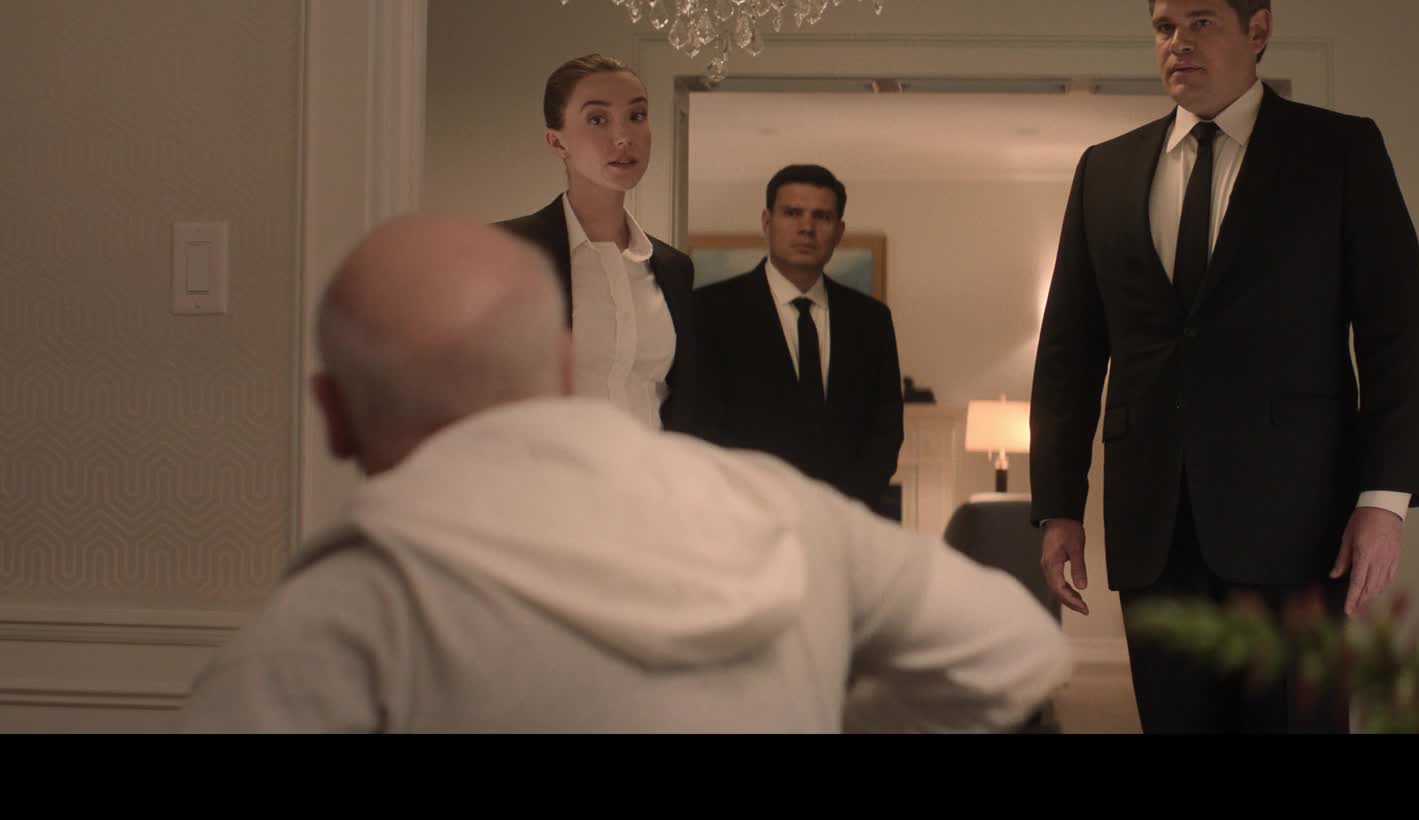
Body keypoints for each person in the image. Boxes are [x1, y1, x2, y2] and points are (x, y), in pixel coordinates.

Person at [177, 215, 1070, 733]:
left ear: (332, 413)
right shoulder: (782, 513)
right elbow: (1019, 651)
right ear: (567, 364)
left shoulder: (346, 612)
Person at [1028, 0, 1419, 733]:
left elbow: (1396, 338)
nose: (1178, 43)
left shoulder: (1340, 152)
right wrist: (1058, 508)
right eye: (1164, 27)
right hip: (1153, 528)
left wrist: (1383, 502)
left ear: (1259, 29)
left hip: (1300, 524)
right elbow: (1069, 355)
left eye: (1201, 22)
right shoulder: (1104, 171)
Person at [496, 53, 699, 432]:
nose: (623, 137)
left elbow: (681, 399)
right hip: (549, 466)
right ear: (557, 143)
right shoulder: (507, 251)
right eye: (597, 119)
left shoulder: (673, 268)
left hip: (651, 466)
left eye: (636, 116)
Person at [692, 165, 904, 516]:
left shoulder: (871, 320)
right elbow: (698, 426)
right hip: (744, 518)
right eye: (792, 213)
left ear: (838, 231)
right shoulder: (709, 311)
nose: (807, 227)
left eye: (822, 216)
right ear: (767, 221)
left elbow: (885, 432)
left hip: (843, 521)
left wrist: (842, 512)